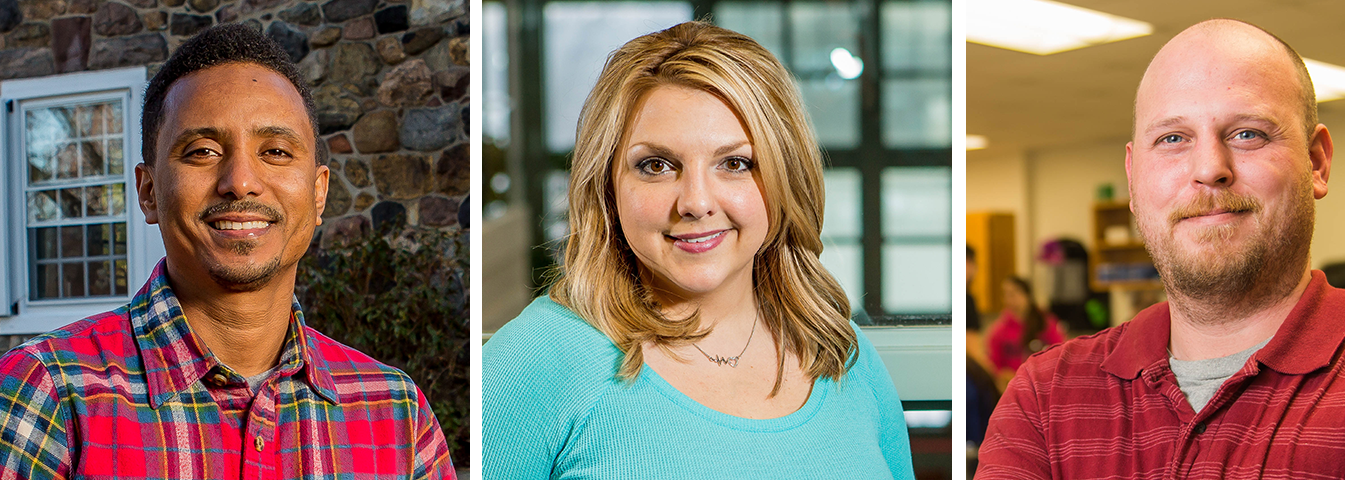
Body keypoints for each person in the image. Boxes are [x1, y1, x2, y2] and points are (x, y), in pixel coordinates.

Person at [976, 19, 1345, 478]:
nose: (1210, 169)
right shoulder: (1045, 396)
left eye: (1247, 133)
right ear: (1134, 178)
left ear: (1316, 162)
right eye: (1173, 139)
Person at [0, 25, 455, 478]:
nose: (240, 180)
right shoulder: (46, 395)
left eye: (275, 150)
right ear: (149, 192)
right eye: (202, 151)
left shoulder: (396, 413)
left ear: (319, 195)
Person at [481, 22, 913, 479]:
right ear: (607, 185)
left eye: (735, 163)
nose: (696, 203)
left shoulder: (842, 351)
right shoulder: (534, 362)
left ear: (785, 177)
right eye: (656, 165)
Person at [985, 276, 1064, 375]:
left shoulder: (1046, 323)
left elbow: (1061, 353)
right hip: (1012, 384)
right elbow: (993, 364)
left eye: (1013, 294)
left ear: (1027, 295)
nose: (1009, 299)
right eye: (1005, 295)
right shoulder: (999, 330)